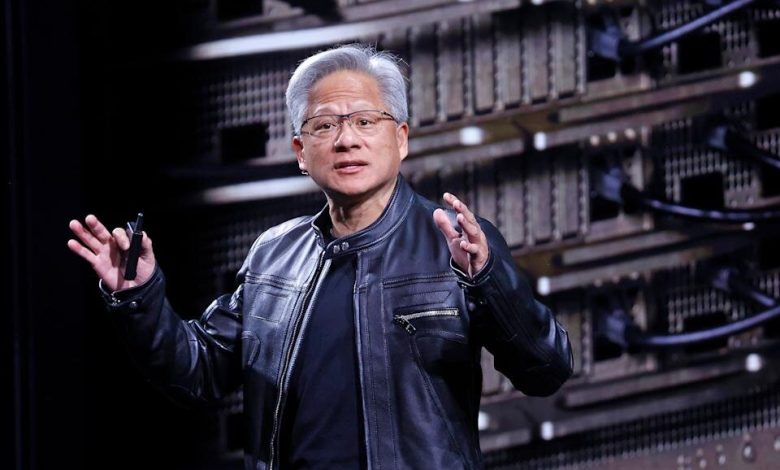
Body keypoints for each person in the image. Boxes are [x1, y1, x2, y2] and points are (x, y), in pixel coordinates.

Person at [68, 44, 573, 470]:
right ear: (300, 152)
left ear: (401, 138)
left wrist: (487, 280)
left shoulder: (457, 244)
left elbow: (546, 371)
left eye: (365, 121)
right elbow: (199, 374)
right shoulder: (274, 256)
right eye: (325, 125)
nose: (346, 139)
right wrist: (138, 297)